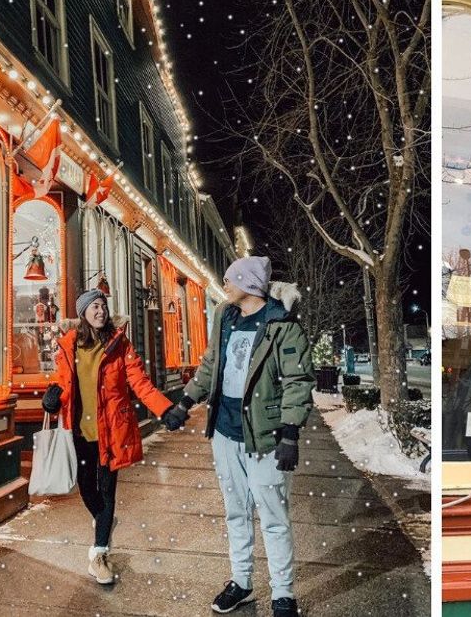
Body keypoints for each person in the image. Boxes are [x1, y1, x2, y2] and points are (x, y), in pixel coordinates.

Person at [161, 255, 312, 617]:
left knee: (273, 516)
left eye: (230, 280)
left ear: (249, 284)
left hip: (265, 436)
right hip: (226, 433)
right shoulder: (225, 317)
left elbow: (297, 381)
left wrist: (289, 434)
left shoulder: (281, 324)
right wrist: (185, 402)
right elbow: (212, 363)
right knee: (236, 512)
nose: (225, 285)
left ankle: (283, 594)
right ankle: (242, 582)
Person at [41, 289, 179, 585]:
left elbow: (140, 383)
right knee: (86, 488)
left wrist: (164, 410)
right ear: (83, 313)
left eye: (103, 306)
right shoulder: (69, 345)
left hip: (111, 431)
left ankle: (99, 554)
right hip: (79, 432)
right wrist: (52, 397)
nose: (100, 311)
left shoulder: (120, 345)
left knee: (106, 492)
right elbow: (61, 381)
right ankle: (104, 519)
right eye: (94, 306)